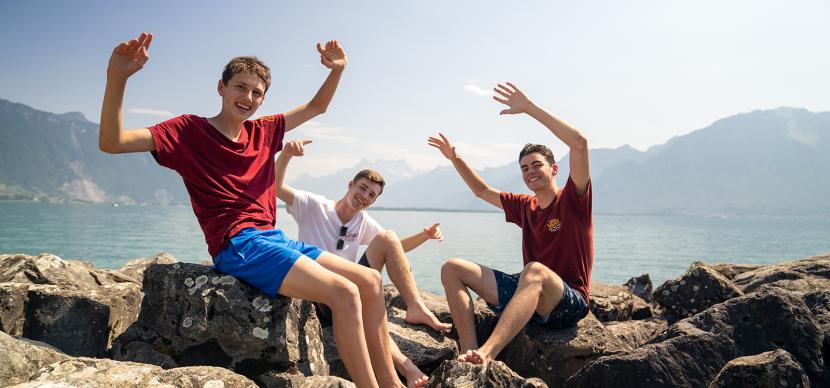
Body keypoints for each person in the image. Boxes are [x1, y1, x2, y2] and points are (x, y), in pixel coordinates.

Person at [99, 32, 404, 388]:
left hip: (273, 239)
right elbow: (112, 142)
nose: (248, 98)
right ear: (221, 88)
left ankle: (391, 382)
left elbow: (316, 107)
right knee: (344, 292)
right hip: (237, 245)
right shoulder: (188, 131)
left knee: (368, 279)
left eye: (257, 93)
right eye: (240, 87)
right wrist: (117, 77)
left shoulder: (264, 131)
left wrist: (337, 70)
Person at [427, 82, 593, 366]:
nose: (530, 172)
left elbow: (579, 143)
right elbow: (481, 191)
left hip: (568, 301)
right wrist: (455, 158)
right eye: (524, 168)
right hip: (530, 293)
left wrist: (528, 107)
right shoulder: (524, 206)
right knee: (451, 268)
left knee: (535, 271)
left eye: (536, 165)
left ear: (554, 169)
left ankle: (487, 353)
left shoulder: (574, 200)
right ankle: (468, 351)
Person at [274, 141, 451, 386]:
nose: (364, 196)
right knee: (368, 309)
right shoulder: (314, 206)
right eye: (362, 188)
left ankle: (416, 307)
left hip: (350, 288)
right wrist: (286, 155)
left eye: (371, 194)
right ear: (350, 185)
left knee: (387, 237)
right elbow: (276, 186)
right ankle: (405, 368)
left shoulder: (363, 221)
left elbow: (395, 247)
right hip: (319, 291)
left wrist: (424, 236)